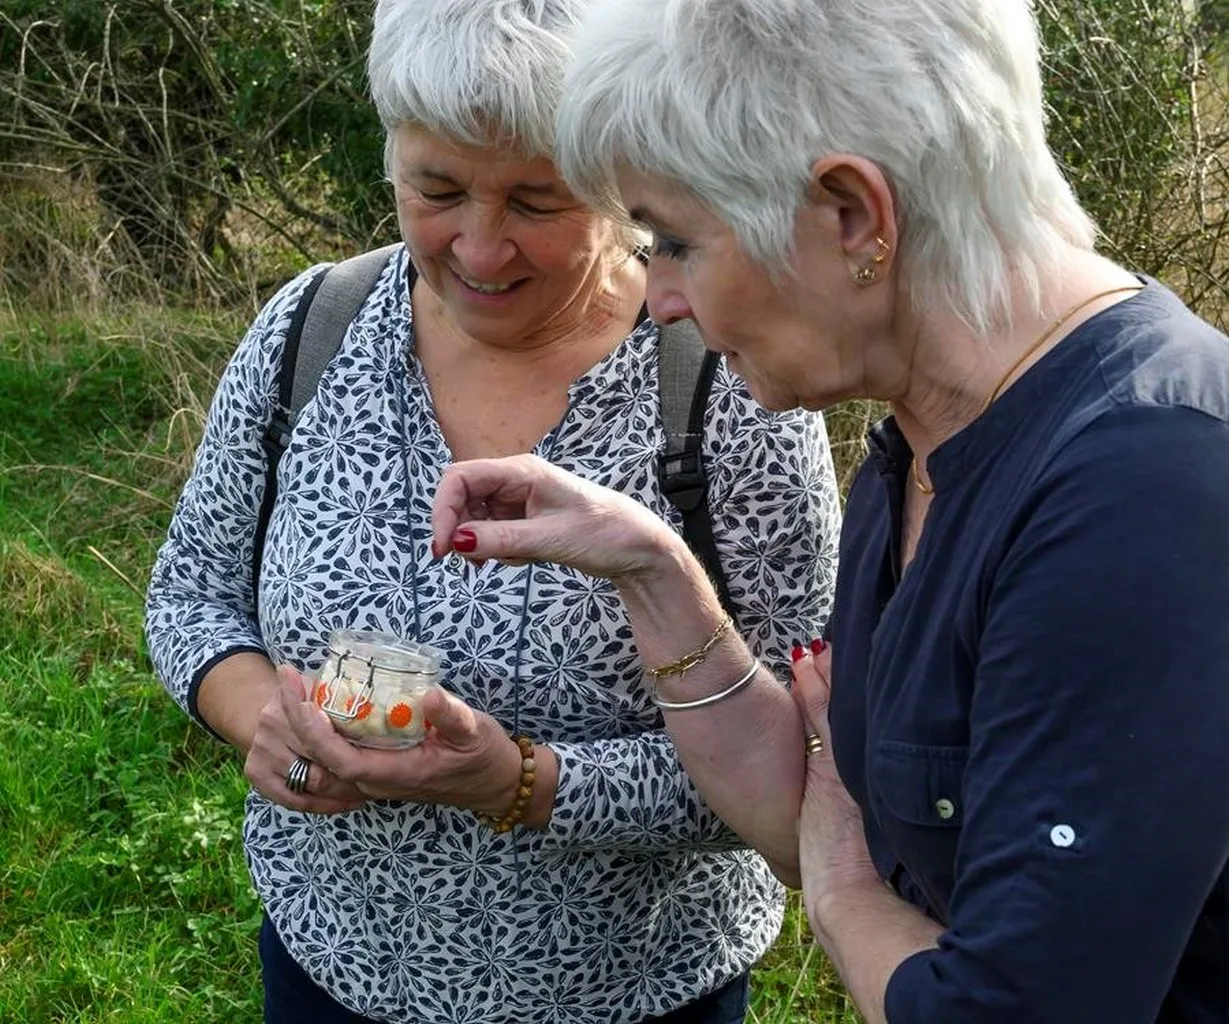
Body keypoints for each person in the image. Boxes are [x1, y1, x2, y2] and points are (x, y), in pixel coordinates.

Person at [428, 1, 1229, 1021]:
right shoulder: (923, 437)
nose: (655, 296)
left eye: (672, 240)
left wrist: (844, 889)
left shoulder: (1144, 484)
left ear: (852, 213)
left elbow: (991, 998)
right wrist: (650, 567)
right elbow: (833, 807)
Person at [144, 1, 841, 1022]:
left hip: (634, 992)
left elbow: (803, 766)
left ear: (622, 181)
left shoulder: (727, 381)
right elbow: (192, 595)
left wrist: (519, 780)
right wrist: (269, 724)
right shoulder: (313, 328)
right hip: (333, 967)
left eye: (534, 199)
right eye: (435, 188)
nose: (478, 246)